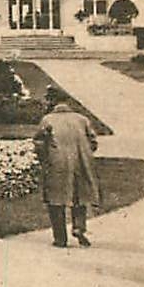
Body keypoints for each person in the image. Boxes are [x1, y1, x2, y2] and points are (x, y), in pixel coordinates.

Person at [35, 87, 101, 248]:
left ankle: (60, 238)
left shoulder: (48, 120)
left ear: (52, 102)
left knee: (55, 200)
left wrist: (44, 159)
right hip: (81, 161)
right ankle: (79, 228)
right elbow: (93, 141)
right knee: (80, 197)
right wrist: (85, 153)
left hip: (57, 162)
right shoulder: (82, 119)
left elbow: (40, 143)